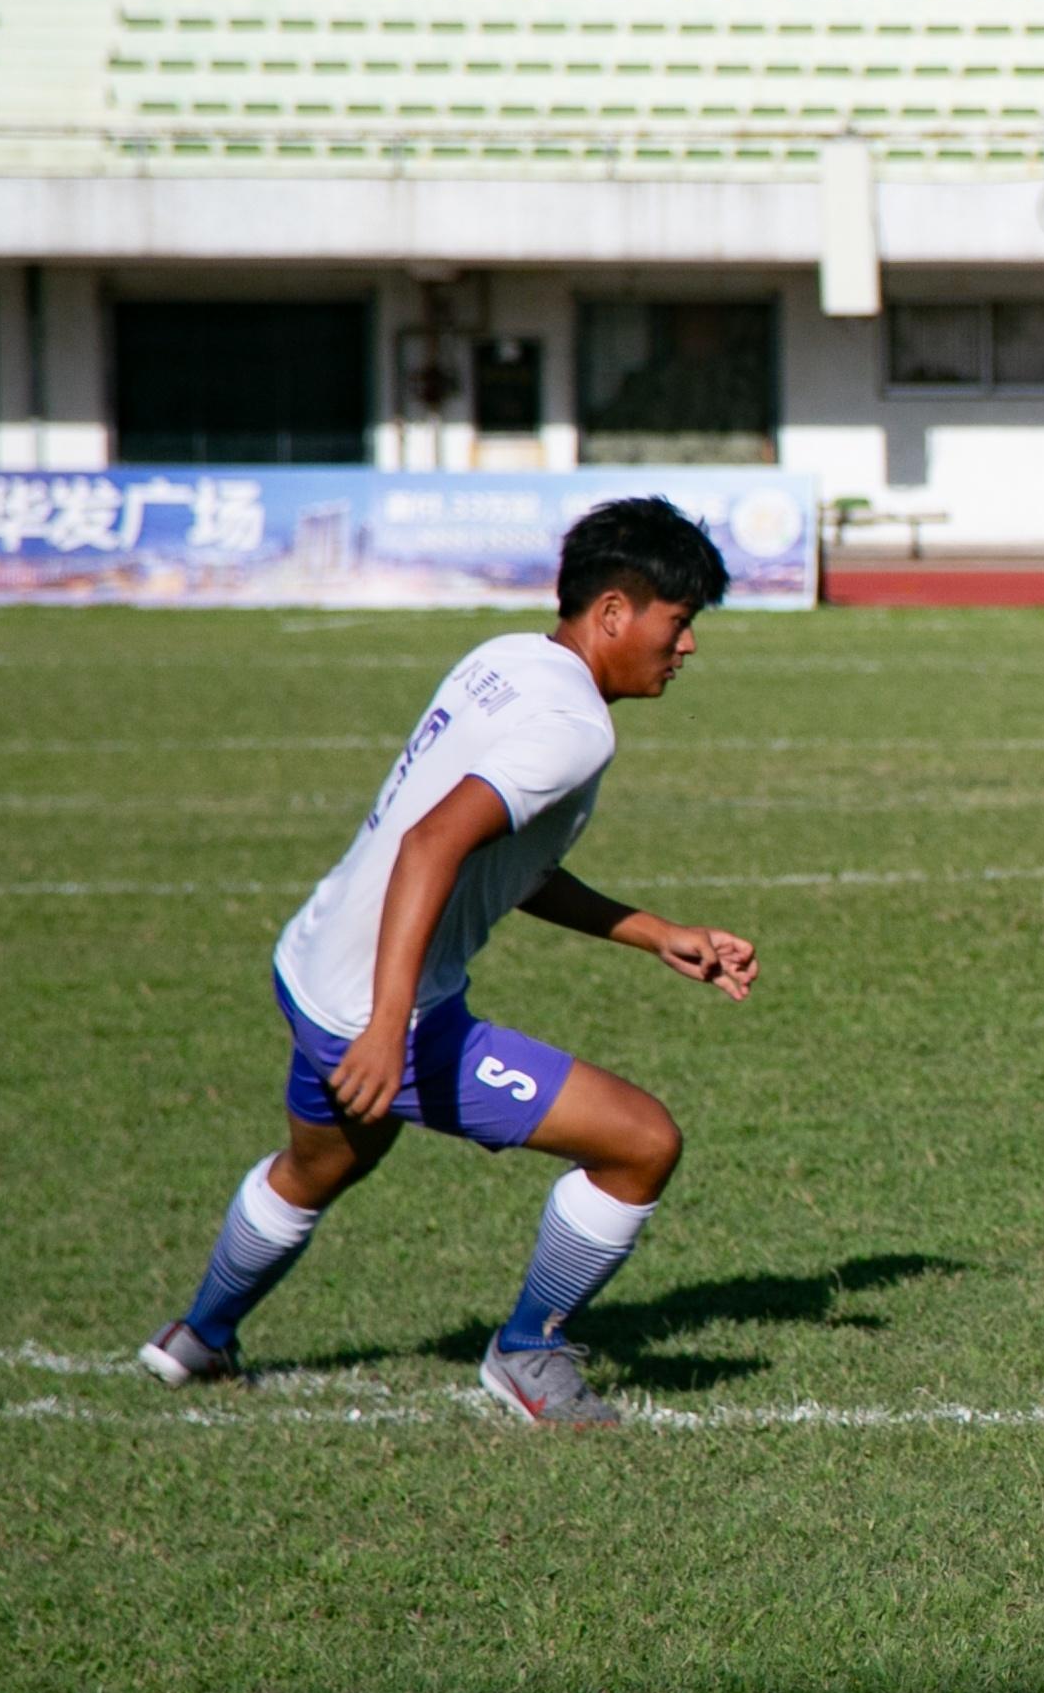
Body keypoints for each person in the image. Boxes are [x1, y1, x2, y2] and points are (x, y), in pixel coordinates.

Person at [138, 498, 760, 1424]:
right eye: (681, 622)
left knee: (319, 1166)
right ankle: (526, 1351)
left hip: (314, 959)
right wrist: (391, 1029)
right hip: (376, 1010)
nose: (689, 647)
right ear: (616, 612)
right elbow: (432, 845)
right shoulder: (576, 727)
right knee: (641, 1143)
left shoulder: (504, 659)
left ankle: (197, 1337)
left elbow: (497, 860)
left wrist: (652, 930)